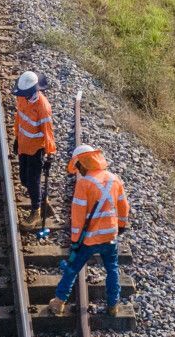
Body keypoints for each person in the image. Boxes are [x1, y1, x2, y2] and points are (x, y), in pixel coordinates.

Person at [49, 144, 129, 318]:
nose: (77, 170)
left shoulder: (84, 184)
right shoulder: (114, 179)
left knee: (72, 268)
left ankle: (59, 303)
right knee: (112, 269)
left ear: (83, 164)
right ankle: (113, 305)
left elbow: (78, 216)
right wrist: (120, 226)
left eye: (77, 166)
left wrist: (75, 241)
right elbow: (123, 206)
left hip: (89, 240)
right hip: (110, 236)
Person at [12, 71, 56, 230]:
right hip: (24, 146)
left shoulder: (43, 107)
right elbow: (19, 117)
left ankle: (36, 212)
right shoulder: (22, 98)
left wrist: (50, 153)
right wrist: (17, 137)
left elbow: (48, 131)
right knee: (24, 179)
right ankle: (43, 202)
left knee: (33, 181)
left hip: (37, 150)